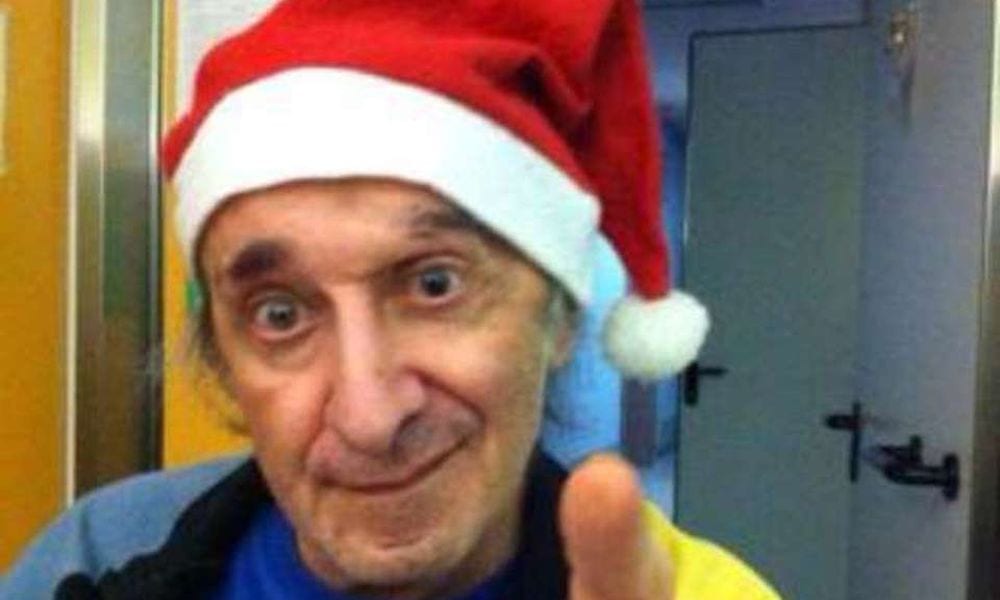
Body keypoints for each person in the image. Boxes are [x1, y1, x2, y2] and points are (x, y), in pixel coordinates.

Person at [2, 1, 781, 598]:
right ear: (225, 362)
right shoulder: (91, 556)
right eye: (280, 315)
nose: (369, 417)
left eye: (434, 284)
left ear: (560, 317)